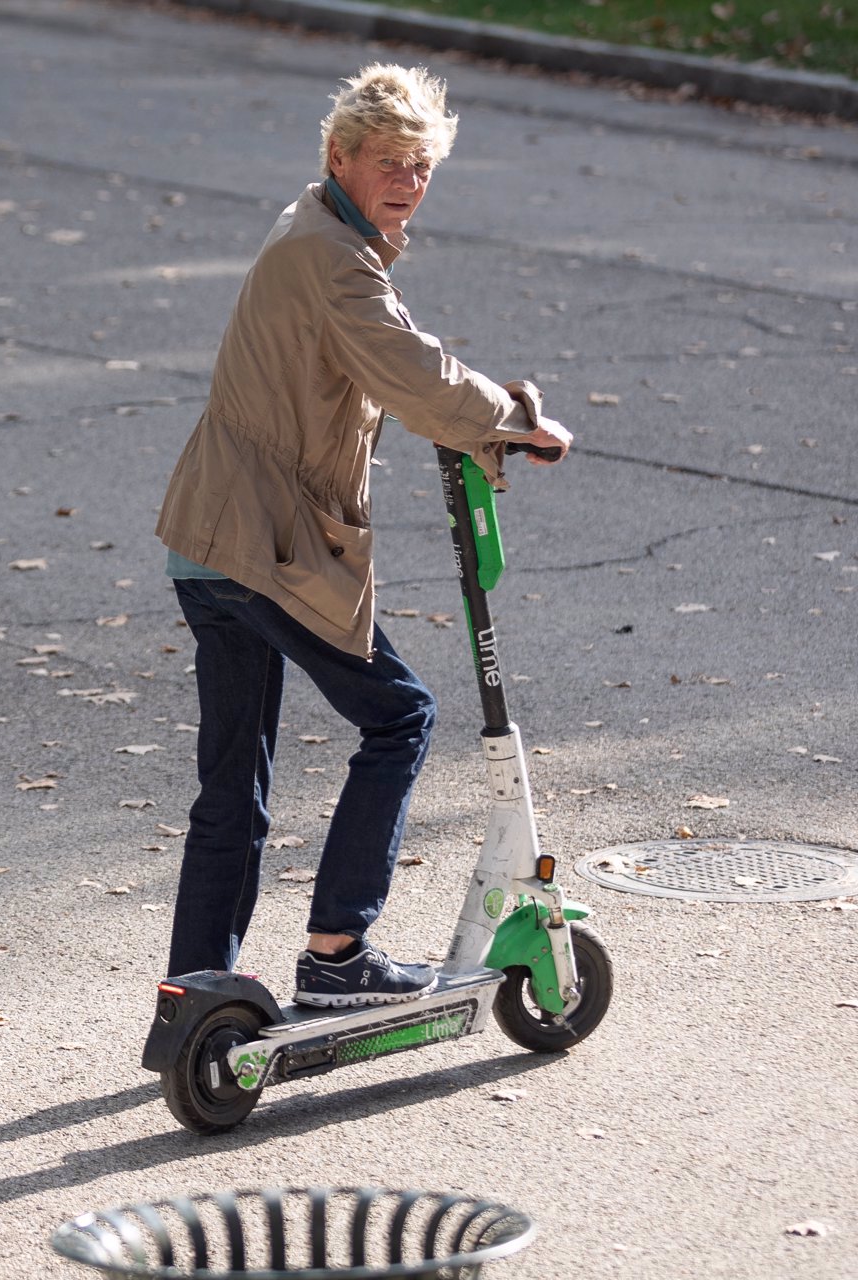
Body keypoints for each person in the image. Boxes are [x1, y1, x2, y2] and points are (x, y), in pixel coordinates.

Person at [153, 64, 572, 1009]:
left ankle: (195, 992)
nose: (407, 181)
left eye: (421, 166)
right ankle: (339, 954)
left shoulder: (322, 232)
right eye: (388, 161)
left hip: (212, 542)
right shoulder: (334, 257)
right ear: (339, 155)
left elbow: (387, 362)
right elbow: (408, 368)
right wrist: (511, 419)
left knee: (234, 791)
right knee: (401, 715)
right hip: (264, 545)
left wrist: (478, 415)